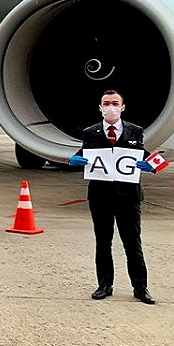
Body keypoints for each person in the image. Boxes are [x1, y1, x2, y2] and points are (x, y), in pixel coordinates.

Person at [67, 90, 157, 304]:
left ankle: (140, 287)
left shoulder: (135, 131)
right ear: (100, 107)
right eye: (106, 103)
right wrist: (72, 160)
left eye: (115, 103)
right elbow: (82, 154)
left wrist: (152, 166)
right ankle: (104, 285)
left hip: (129, 197)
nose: (111, 107)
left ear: (122, 107)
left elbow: (148, 156)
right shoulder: (91, 132)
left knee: (132, 243)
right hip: (100, 196)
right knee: (103, 242)